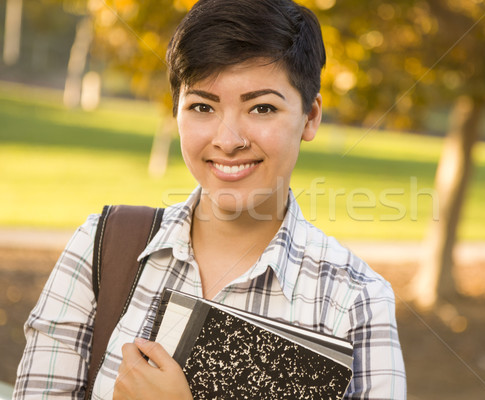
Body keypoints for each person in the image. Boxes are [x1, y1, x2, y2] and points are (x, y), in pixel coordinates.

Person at [13, 0, 406, 398]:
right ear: (176, 111)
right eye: (202, 106)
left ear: (311, 116)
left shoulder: (357, 299)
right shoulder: (101, 248)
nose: (228, 140)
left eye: (262, 108)